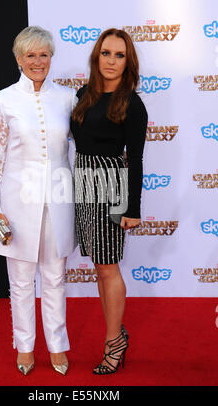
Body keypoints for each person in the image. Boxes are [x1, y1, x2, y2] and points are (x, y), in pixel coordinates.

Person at [0, 26, 77, 376]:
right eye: (30, 55)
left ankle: (57, 346)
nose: (38, 61)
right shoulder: (3, 99)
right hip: (17, 201)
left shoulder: (69, 99)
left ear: (51, 57)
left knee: (55, 278)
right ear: (19, 59)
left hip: (59, 199)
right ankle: (24, 347)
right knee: (20, 281)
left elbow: (85, 140)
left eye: (44, 54)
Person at [70, 28, 148, 375]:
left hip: (111, 186)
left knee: (108, 266)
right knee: (99, 268)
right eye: (106, 53)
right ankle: (116, 336)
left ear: (127, 61)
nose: (111, 61)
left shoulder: (133, 103)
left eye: (119, 55)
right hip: (83, 182)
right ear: (96, 57)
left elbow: (137, 159)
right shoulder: (82, 94)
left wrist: (133, 208)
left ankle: (114, 341)